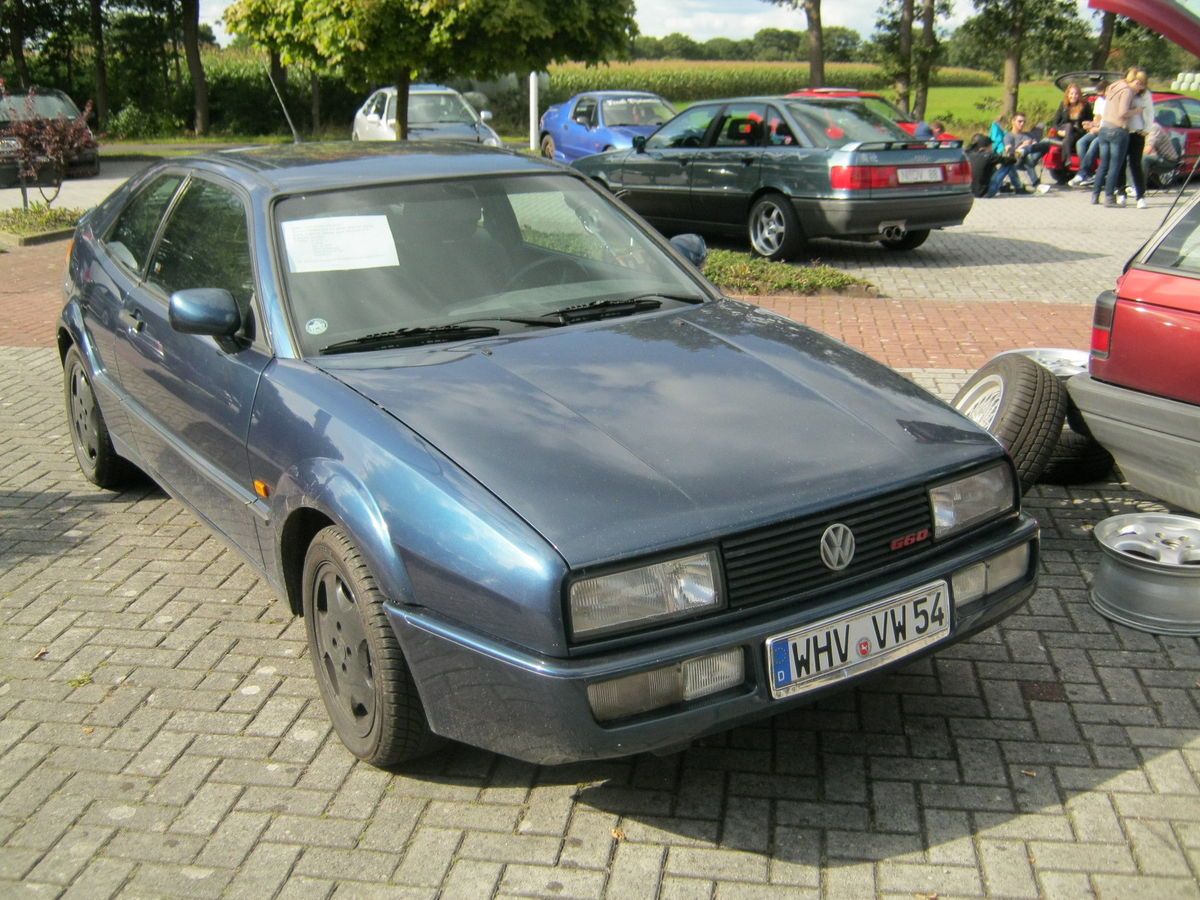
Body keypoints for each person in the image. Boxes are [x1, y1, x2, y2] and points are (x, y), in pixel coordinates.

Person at [1092, 72, 1137, 206]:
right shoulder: (1126, 91)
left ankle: (1095, 196)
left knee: (1103, 164)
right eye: (1137, 83)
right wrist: (1136, 111)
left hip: (1104, 128)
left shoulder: (1112, 87)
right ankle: (1109, 197)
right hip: (1117, 130)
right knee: (1114, 165)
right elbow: (1123, 112)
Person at [1118, 69, 1153, 208]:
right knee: (1120, 163)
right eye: (1137, 83)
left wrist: (1147, 129)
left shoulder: (1145, 95)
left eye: (1142, 84)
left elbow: (1150, 112)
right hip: (1124, 131)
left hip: (1138, 132)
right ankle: (1121, 193)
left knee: (1135, 164)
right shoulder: (1125, 92)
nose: (1140, 86)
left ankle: (1140, 195)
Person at [1068, 83, 1107, 187]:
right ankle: (1088, 173)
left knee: (1094, 143)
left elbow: (1109, 122)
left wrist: (1097, 128)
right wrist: (1091, 124)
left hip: (1106, 131)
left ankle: (1083, 173)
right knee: (1081, 142)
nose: (1101, 97)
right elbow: (1097, 117)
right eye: (1099, 95)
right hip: (1097, 129)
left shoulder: (1112, 102)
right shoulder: (1099, 101)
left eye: (1102, 95)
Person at [1003, 112, 1052, 192]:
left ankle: (1025, 151)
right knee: (1027, 157)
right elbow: (1008, 150)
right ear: (1013, 122)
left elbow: (1036, 145)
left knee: (1046, 142)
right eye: (1019, 121)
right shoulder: (1009, 136)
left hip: (1032, 157)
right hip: (1017, 160)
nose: (1022, 124)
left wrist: (1033, 145)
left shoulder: (1028, 135)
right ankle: (1036, 184)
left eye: (1024, 122)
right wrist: (1022, 146)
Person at [1049, 83, 1093, 165]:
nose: (1073, 96)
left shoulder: (1085, 106)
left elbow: (1090, 120)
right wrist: (1059, 132)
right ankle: (1067, 158)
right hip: (1063, 131)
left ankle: (1066, 158)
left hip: (1078, 133)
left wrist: (1087, 125)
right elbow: (1055, 123)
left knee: (1070, 132)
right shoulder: (1063, 105)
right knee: (1069, 126)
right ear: (1067, 94)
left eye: (1076, 94)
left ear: (1079, 95)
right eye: (1071, 93)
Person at [984, 117, 1025, 196]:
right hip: (1001, 149)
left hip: (1001, 149)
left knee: (1000, 169)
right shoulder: (996, 127)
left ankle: (1004, 185)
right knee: (1009, 166)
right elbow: (996, 139)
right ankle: (1017, 186)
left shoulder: (999, 128)